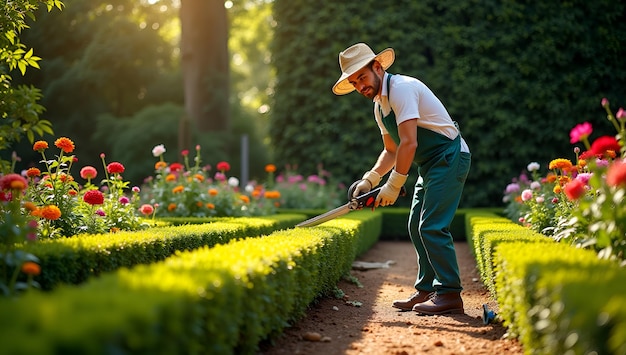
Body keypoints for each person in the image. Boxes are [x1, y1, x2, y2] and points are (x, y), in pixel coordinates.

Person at [332, 43, 471, 315]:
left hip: (449, 156)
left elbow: (409, 143)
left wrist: (394, 185)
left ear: (377, 67)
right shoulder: (379, 106)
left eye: (361, 77)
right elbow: (391, 150)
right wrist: (370, 180)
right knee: (415, 225)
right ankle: (426, 289)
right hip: (430, 164)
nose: (360, 86)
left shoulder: (402, 89)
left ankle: (450, 294)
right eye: (354, 82)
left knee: (431, 227)